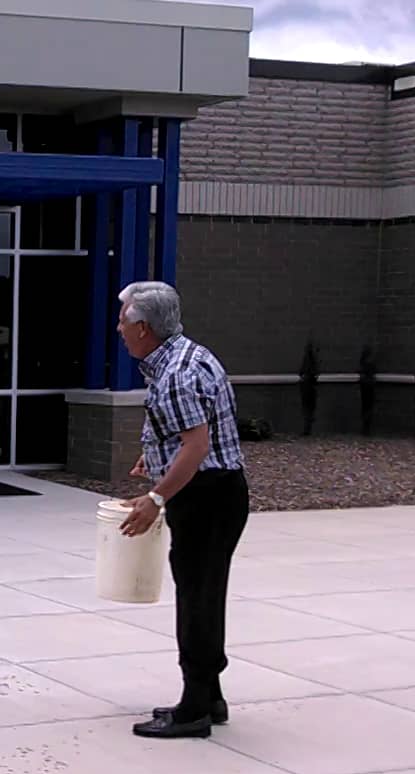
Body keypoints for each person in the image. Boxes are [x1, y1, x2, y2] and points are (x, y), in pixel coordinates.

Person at [114, 281, 249, 740]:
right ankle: (209, 697)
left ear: (144, 329)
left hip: (206, 496)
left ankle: (193, 710)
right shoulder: (190, 356)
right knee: (204, 596)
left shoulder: (174, 375)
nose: (118, 330)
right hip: (219, 491)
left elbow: (196, 446)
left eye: (124, 322)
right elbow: (185, 436)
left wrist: (156, 498)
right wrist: (151, 458)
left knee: (196, 599)